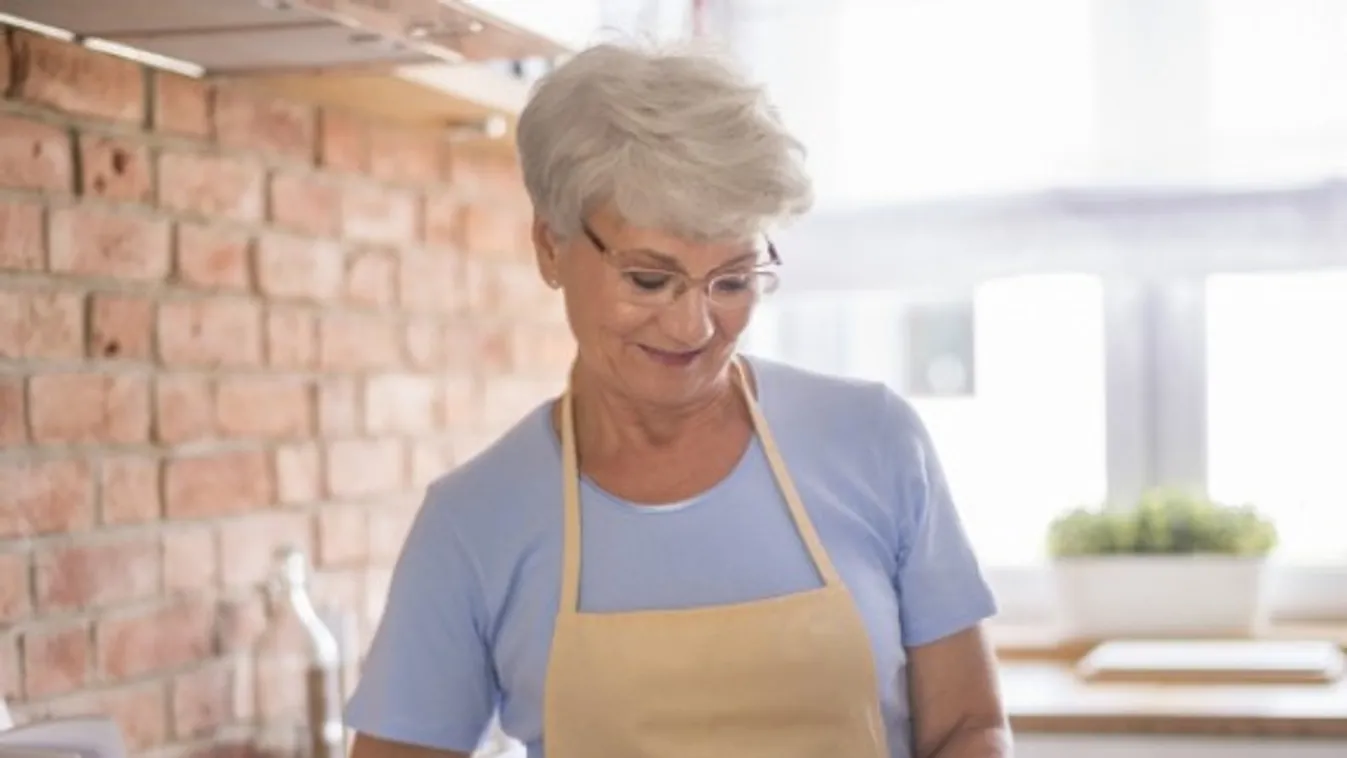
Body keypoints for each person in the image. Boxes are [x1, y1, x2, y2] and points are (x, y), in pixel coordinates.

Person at [344, 40, 1010, 758]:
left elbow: (966, 726)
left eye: (731, 280)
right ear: (549, 246)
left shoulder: (874, 441)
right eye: (648, 280)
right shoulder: (473, 522)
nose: (693, 326)